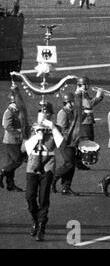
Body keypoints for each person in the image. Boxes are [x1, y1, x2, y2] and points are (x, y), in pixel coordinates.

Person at [24, 102, 64, 242]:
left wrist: (52, 127)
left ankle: (41, 226)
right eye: (41, 111)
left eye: (46, 112)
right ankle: (35, 219)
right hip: (33, 163)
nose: (44, 114)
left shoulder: (55, 128)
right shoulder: (33, 127)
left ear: (51, 114)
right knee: (29, 196)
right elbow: (25, 148)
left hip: (48, 163)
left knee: (43, 198)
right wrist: (36, 137)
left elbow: (60, 143)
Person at [52, 93, 82, 196]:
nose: (74, 103)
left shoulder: (71, 111)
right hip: (64, 141)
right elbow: (61, 128)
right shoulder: (63, 113)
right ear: (67, 102)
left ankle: (66, 187)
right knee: (69, 164)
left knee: (71, 165)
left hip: (71, 141)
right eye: (72, 101)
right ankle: (53, 178)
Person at [75, 76, 103, 170]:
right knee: (86, 141)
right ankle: (79, 161)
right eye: (85, 84)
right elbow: (89, 104)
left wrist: (99, 97)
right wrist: (98, 96)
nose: (87, 86)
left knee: (87, 140)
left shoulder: (83, 92)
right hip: (85, 120)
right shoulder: (81, 93)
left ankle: (79, 161)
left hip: (86, 119)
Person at [0, 90, 26, 192]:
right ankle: (2, 172)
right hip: (11, 141)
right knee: (17, 160)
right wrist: (19, 134)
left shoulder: (16, 110)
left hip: (14, 141)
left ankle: (10, 184)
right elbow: (7, 126)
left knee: (11, 162)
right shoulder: (9, 112)